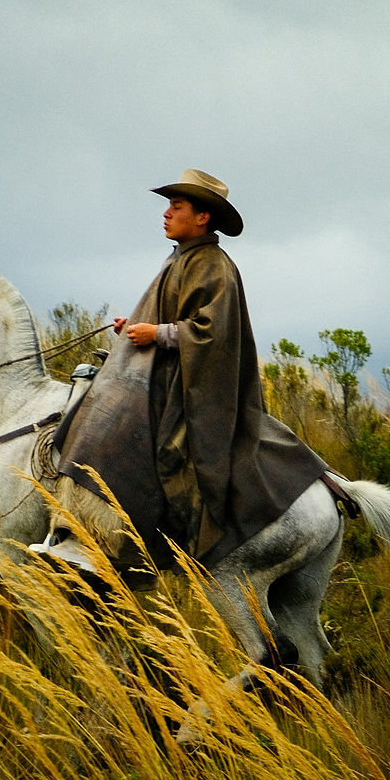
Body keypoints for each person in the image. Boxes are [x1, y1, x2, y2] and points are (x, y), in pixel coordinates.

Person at [51, 169, 326, 570]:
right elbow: (172, 318)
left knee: (109, 431)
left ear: (202, 218)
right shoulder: (182, 259)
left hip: (187, 391)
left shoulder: (213, 264)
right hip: (161, 377)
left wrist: (157, 333)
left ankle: (98, 545)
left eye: (176, 207)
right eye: (168, 206)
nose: (166, 213)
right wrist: (133, 328)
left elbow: (211, 333)